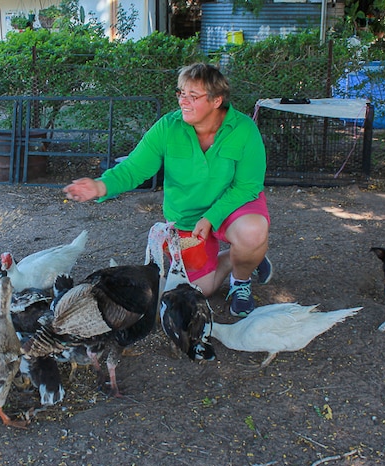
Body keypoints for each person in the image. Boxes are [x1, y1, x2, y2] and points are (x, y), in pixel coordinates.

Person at [63, 62, 272, 316]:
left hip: (234, 207)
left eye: (192, 96)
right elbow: (134, 168)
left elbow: (247, 186)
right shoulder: (167, 127)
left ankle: (240, 281)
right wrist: (100, 185)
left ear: (217, 101)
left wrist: (211, 217)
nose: (183, 101)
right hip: (187, 216)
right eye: (181, 93)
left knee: (253, 232)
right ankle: (235, 258)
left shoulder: (244, 129)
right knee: (198, 289)